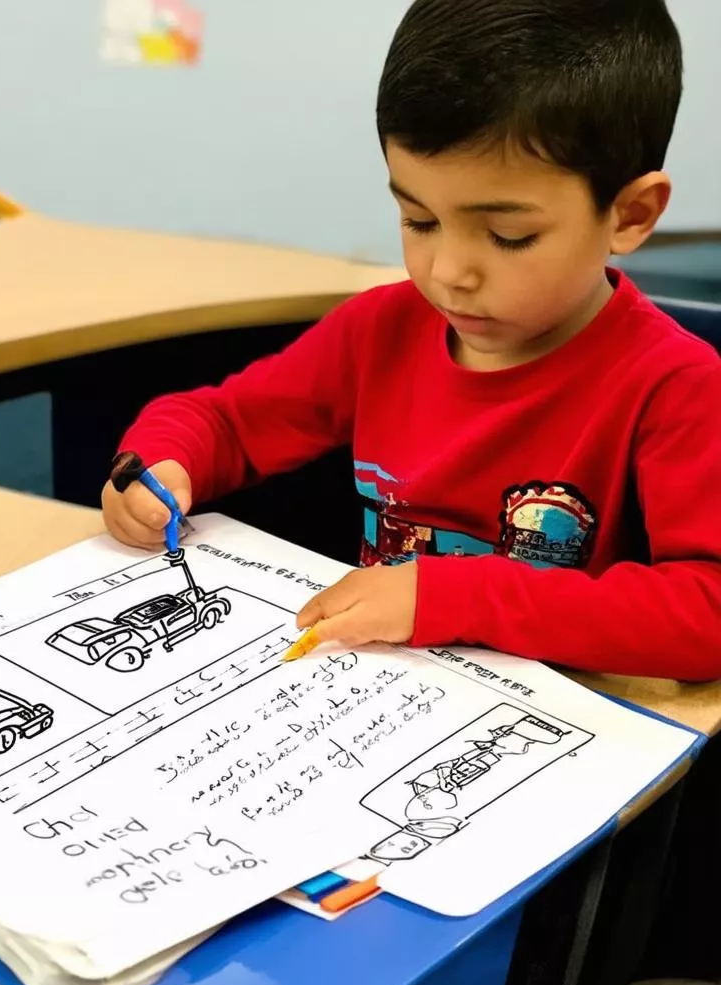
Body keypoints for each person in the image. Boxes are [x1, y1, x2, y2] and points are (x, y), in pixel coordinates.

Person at [102, 0, 721, 683]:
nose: (447, 273)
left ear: (630, 215)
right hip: (374, 696)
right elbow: (221, 420)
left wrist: (452, 597)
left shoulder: (678, 386)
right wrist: (163, 463)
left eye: (508, 236)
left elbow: (708, 613)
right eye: (418, 219)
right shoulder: (381, 332)